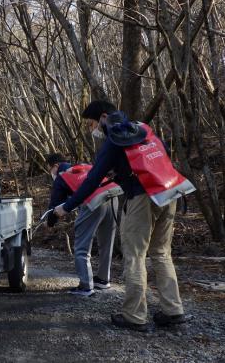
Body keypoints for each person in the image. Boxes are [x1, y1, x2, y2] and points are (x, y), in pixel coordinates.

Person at [54, 102, 195, 331]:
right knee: (161, 253)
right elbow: (164, 155)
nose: (93, 130)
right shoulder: (143, 129)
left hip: (140, 198)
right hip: (169, 191)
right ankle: (173, 311)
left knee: (135, 256)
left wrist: (67, 206)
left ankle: (135, 316)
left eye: (91, 124)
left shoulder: (114, 140)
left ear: (103, 117)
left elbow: (92, 180)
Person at [46, 153, 122, 297]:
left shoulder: (62, 176)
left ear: (55, 166)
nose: (51, 173)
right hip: (112, 195)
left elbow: (54, 206)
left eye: (50, 169)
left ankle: (86, 286)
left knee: (81, 246)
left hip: (92, 201)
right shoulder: (84, 166)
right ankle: (103, 280)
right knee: (107, 243)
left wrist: (50, 222)